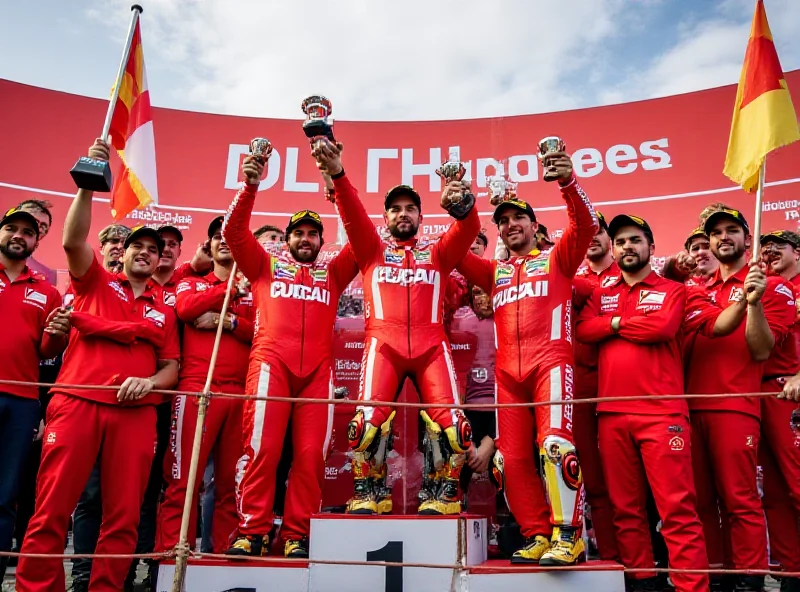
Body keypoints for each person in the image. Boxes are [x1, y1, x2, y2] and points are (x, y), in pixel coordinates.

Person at [16, 138, 180, 592]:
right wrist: (90, 181)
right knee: (51, 508)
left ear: (160, 259)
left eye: (153, 249)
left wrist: (147, 383)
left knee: (124, 517)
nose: (145, 252)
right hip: (76, 403)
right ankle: (35, 588)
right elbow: (71, 239)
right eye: (136, 247)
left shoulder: (165, 309)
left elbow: (171, 368)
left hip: (134, 414)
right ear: (121, 253)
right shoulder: (93, 283)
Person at [314, 138, 481, 517]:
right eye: (395, 210)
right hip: (382, 345)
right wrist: (338, 173)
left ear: (422, 218)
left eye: (410, 209)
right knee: (366, 425)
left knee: (455, 428)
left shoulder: (438, 253)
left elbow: (468, 229)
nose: (402, 214)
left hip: (431, 346)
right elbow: (352, 213)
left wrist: (462, 203)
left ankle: (444, 494)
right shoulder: (370, 248)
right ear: (386, 217)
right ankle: (369, 492)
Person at [457, 151, 596, 565]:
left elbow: (585, 225)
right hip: (508, 375)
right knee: (509, 458)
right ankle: (537, 533)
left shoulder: (557, 259)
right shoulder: (495, 272)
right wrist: (463, 210)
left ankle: (568, 535)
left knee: (553, 446)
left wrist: (568, 183)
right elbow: (455, 255)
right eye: (503, 221)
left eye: (518, 218)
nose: (510, 224)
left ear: (535, 226)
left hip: (550, 363)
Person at [223, 151, 358, 559]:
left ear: (320, 241)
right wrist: (249, 185)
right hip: (270, 365)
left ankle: (297, 533)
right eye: (298, 233)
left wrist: (338, 188)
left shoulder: (333, 274)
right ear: (288, 239)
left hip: (318, 372)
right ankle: (253, 530)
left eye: (312, 234)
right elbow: (233, 232)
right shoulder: (265, 266)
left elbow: (361, 237)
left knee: (311, 456)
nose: (305, 239)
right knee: (262, 450)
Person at [576, 214, 708, 592]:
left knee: (677, 510)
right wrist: (623, 322)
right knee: (625, 511)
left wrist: (612, 324)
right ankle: (641, 582)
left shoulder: (674, 290)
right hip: (612, 415)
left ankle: (691, 587)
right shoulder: (600, 292)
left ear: (651, 246)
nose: (627, 247)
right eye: (620, 242)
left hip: (662, 413)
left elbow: (663, 328)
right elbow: (584, 331)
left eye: (635, 240)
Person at [683, 208, 795, 592]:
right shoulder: (695, 288)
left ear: (748, 240)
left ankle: (749, 578)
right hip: (688, 407)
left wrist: (754, 302)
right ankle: (715, 575)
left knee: (739, 499)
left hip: (736, 405)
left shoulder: (774, 286)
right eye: (716, 233)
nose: (724, 237)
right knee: (698, 503)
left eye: (733, 230)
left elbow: (761, 350)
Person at [155, 216, 254, 556]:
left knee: (230, 485)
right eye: (216, 237)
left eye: (231, 235)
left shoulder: (258, 287)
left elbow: (264, 332)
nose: (224, 240)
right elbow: (185, 310)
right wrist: (227, 291)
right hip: (197, 389)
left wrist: (228, 321)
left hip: (241, 393)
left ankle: (223, 560)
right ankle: (170, 557)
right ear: (209, 247)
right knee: (183, 481)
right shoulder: (193, 282)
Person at [0, 207, 66, 581]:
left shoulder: (47, 291)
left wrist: (58, 333)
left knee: (6, 495)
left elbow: (48, 352)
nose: (19, 236)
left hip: (23, 401)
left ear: (37, 242)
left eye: (28, 232)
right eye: (12, 228)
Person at [571, 211, 620, 562]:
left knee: (631, 485)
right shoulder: (570, 277)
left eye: (599, 229)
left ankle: (641, 567)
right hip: (582, 387)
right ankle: (611, 562)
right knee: (596, 486)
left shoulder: (632, 272)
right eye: (588, 230)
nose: (593, 236)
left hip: (625, 386)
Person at [756, 230, 800, 590]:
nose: (769, 251)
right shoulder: (760, 286)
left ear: (797, 253)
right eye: (764, 245)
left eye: (778, 246)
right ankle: (791, 572)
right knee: (773, 492)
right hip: (758, 392)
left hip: (790, 391)